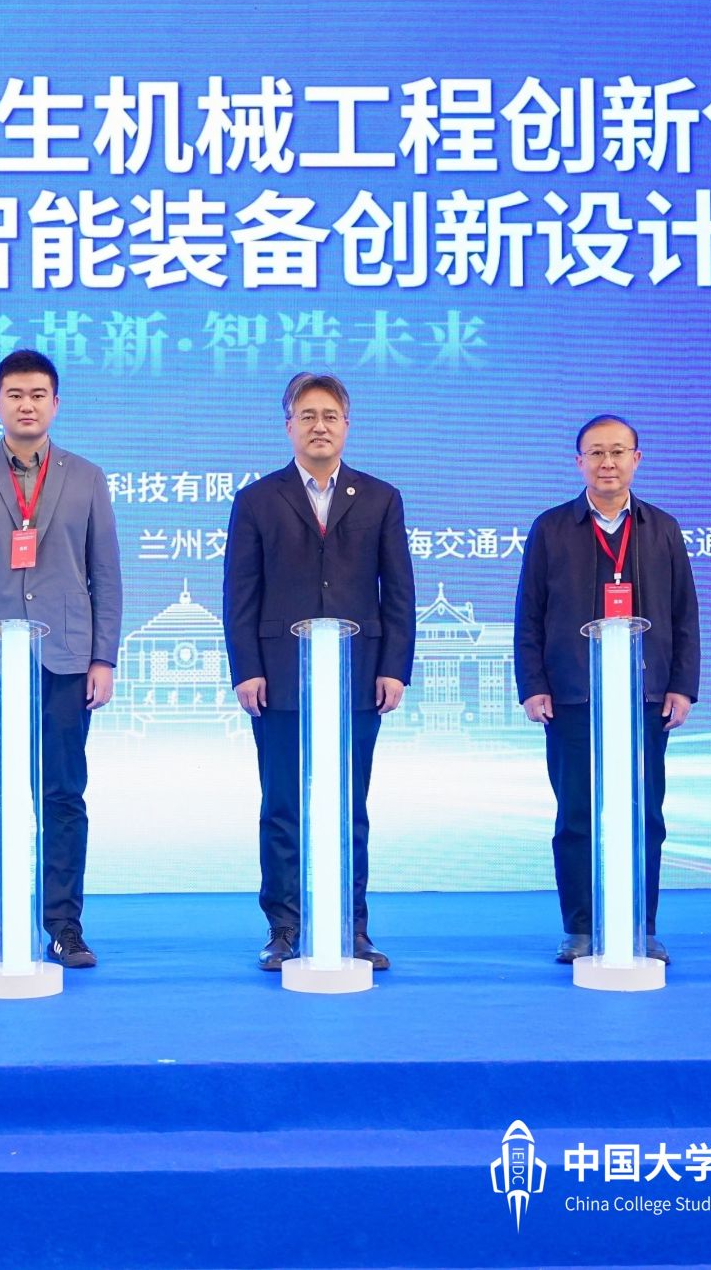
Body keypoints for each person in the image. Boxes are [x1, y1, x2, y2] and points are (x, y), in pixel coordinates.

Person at [0, 350, 122, 970]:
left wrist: (103, 657)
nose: (27, 405)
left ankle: (64, 926)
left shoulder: (86, 477)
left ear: (56, 404)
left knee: (63, 795)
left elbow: (105, 575)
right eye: (15, 394)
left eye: (38, 394)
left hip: (66, 660)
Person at [223, 372, 415, 972]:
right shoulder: (257, 499)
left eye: (330, 415)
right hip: (279, 678)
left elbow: (398, 591)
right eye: (307, 415)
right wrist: (246, 668)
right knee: (282, 805)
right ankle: (285, 927)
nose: (319, 426)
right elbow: (240, 594)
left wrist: (394, 667)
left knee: (348, 806)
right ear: (289, 427)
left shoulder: (380, 498)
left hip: (358, 677)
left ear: (347, 425)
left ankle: (350, 925)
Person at [514, 415, 699, 966]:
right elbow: (529, 614)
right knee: (576, 815)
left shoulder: (661, 528)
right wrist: (533, 684)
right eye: (596, 453)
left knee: (645, 815)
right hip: (573, 696)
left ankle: (641, 923)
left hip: (645, 696)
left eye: (618, 452)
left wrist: (682, 685)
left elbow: (684, 613)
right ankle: (580, 926)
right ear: (579, 463)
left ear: (636, 459)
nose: (607, 462)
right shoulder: (551, 528)